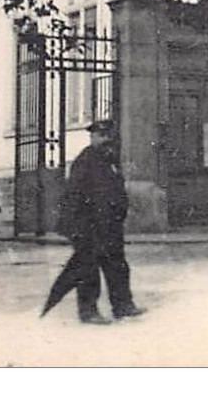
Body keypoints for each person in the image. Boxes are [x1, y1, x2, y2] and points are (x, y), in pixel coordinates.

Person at [41, 119, 144, 324]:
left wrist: (119, 213)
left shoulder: (110, 160)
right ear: (94, 137)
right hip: (89, 224)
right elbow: (74, 194)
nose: (106, 140)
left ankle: (123, 306)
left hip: (110, 224)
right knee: (88, 269)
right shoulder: (86, 160)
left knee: (118, 265)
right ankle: (88, 312)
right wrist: (77, 227)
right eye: (101, 135)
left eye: (108, 136)